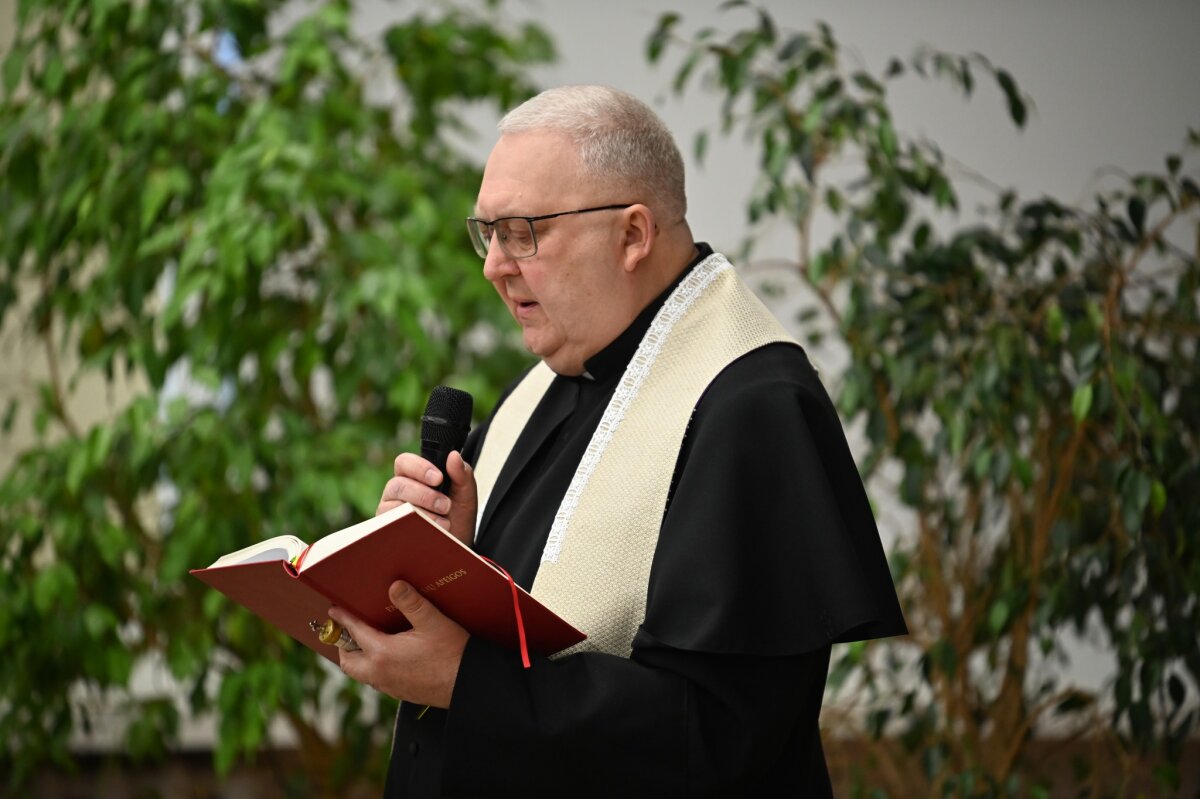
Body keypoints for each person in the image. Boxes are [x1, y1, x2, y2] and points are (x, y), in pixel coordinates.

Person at [328, 84, 907, 797]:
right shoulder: (547, 383)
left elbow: (717, 737)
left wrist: (465, 679)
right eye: (488, 233)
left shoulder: (752, 407)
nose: (494, 265)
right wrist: (445, 562)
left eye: (522, 232)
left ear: (633, 235)